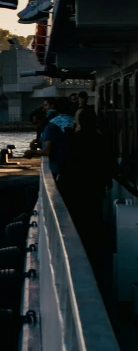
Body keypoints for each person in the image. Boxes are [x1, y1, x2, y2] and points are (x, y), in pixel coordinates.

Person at [59, 107, 113, 267]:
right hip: (95, 187)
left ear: (78, 122)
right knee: (94, 218)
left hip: (75, 189)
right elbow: (108, 163)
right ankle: (94, 255)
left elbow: (63, 163)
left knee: (78, 222)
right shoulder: (101, 139)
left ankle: (81, 256)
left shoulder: (73, 139)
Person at [40, 97, 76, 178]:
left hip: (57, 162)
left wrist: (32, 152)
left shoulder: (52, 123)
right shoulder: (75, 121)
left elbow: (43, 140)